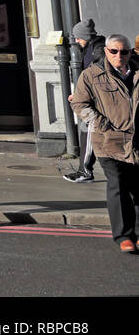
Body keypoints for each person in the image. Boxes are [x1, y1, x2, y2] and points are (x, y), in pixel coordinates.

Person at [70, 34, 139, 253]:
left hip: (136, 141)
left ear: (130, 52)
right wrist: (102, 124)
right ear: (106, 52)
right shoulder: (92, 75)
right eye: (114, 51)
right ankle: (124, 236)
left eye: (124, 51)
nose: (120, 56)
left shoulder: (137, 72)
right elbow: (80, 104)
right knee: (118, 185)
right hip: (109, 141)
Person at [64, 19, 106, 183]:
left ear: (86, 36)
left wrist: (81, 95)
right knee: (86, 132)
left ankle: (85, 171)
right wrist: (78, 94)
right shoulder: (91, 49)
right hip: (90, 99)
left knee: (89, 130)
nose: (76, 40)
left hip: (96, 101)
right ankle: (85, 169)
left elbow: (96, 79)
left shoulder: (98, 51)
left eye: (78, 37)